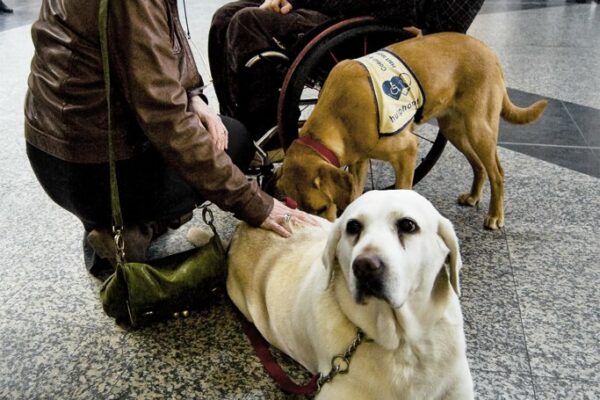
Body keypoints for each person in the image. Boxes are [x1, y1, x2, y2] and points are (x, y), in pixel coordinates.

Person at [24, 0, 315, 277]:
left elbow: (153, 44)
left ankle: (116, 223)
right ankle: (130, 225)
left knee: (218, 131)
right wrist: (253, 203)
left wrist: (193, 98)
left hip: (54, 151)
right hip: (95, 170)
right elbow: (166, 119)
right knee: (235, 141)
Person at [209, 0, 485, 141]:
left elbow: (446, 24)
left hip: (377, 27)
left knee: (248, 23)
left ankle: (268, 137)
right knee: (224, 17)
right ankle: (234, 124)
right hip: (337, 10)